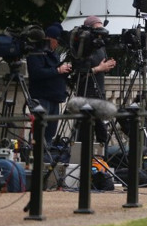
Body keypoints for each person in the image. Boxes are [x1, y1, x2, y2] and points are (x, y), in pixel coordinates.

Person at [73, 15, 116, 143]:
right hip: (86, 93)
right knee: (86, 130)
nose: (100, 32)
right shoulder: (81, 46)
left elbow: (102, 63)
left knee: (102, 130)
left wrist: (108, 65)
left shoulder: (100, 46)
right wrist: (99, 68)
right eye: (97, 28)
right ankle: (84, 159)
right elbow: (79, 72)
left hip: (99, 91)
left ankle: (102, 158)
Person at [26, 23, 72, 144]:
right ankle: (37, 157)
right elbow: (37, 73)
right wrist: (57, 70)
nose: (57, 44)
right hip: (42, 97)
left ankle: (46, 157)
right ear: (49, 38)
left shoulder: (54, 54)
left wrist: (66, 70)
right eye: (56, 40)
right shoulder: (36, 53)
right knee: (40, 131)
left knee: (50, 132)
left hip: (54, 97)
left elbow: (56, 73)